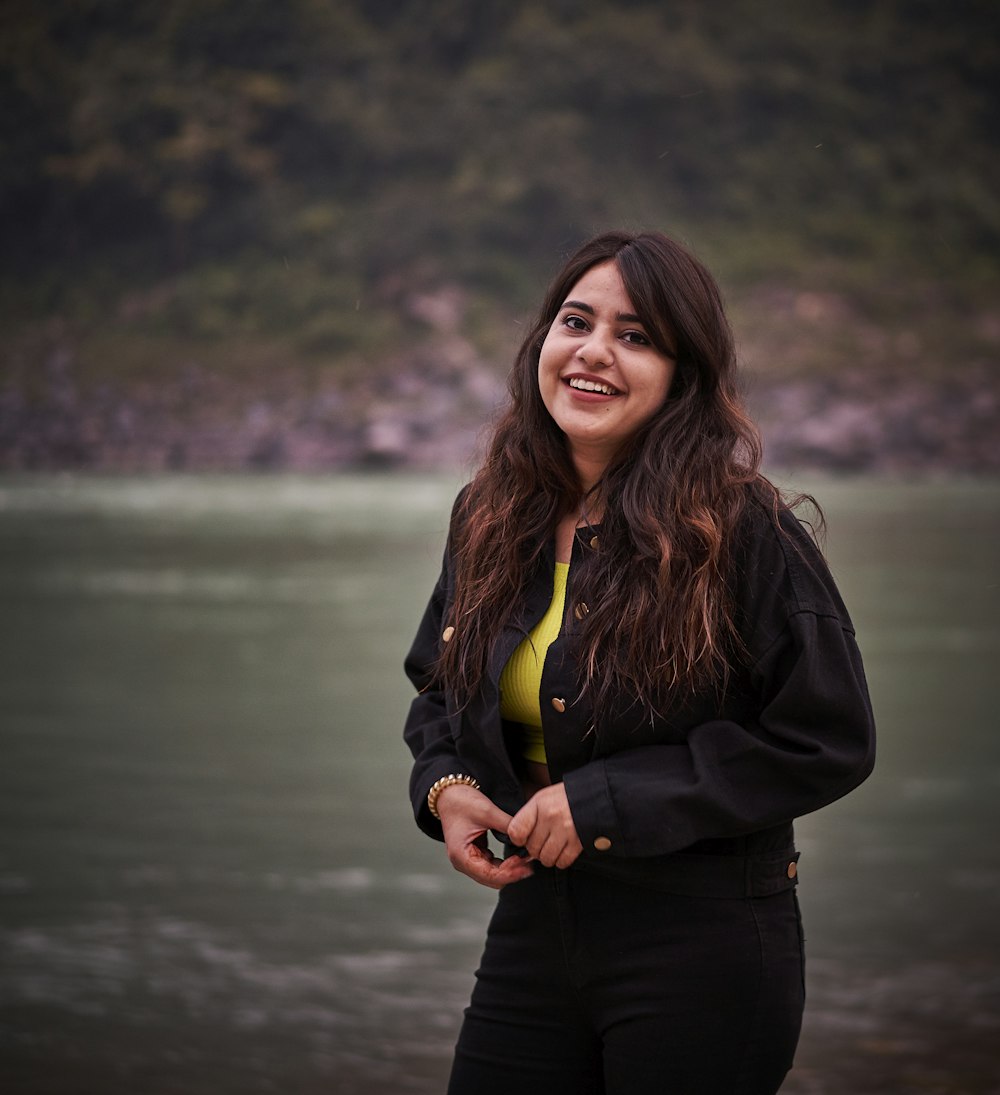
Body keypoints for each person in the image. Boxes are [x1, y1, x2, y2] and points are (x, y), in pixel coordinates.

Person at [402, 230, 875, 1095]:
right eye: (576, 321)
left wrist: (606, 800)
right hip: (536, 923)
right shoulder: (491, 514)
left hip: (704, 940)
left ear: (682, 376)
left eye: (636, 335)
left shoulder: (744, 531)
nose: (593, 352)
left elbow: (827, 736)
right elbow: (440, 684)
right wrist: (446, 786)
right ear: (540, 343)